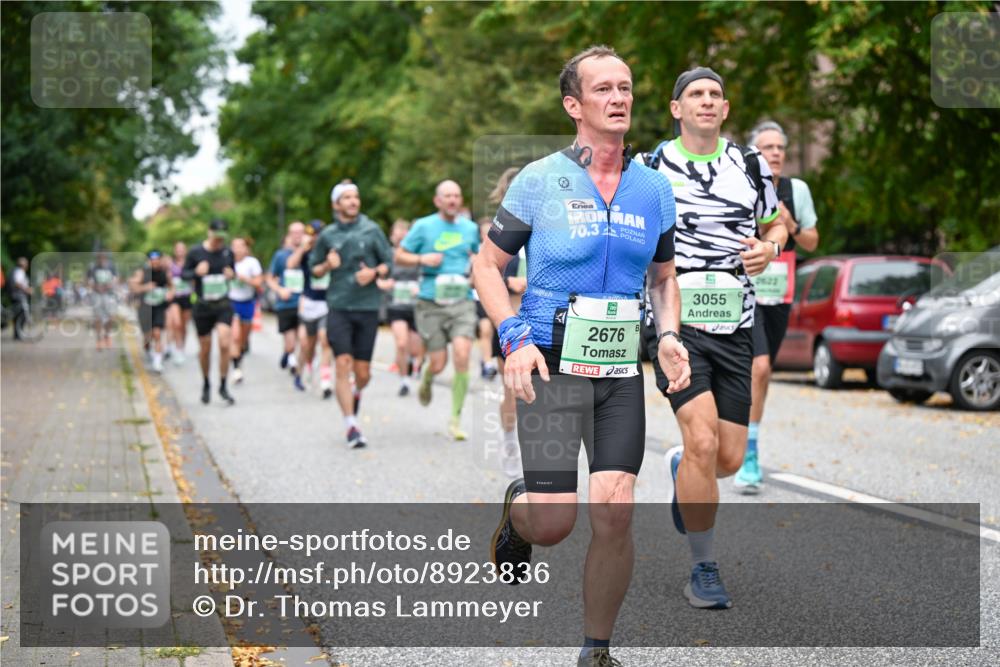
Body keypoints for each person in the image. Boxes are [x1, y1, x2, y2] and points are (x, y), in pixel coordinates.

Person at [472, 46, 688, 667]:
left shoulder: (654, 189)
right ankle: (520, 517)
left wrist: (668, 335)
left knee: (615, 512)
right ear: (574, 105)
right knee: (555, 524)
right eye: (603, 89)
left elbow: (664, 277)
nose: (619, 98)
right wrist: (513, 335)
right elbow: (488, 266)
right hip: (550, 366)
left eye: (625, 87)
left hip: (620, 371)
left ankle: (596, 650)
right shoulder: (539, 180)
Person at [644, 67, 787, 610]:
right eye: (694, 95)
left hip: (736, 323)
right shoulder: (652, 168)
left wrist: (770, 249)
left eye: (715, 95)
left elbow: (776, 226)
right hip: (674, 326)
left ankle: (685, 469)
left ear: (725, 110)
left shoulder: (749, 165)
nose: (706, 102)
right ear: (676, 108)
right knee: (702, 440)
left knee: (724, 458)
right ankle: (703, 568)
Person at [731, 120, 820, 493]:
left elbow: (813, 242)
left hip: (779, 293)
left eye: (781, 148)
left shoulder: (795, 189)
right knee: (760, 367)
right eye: (768, 148)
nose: (777, 153)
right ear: (756, 153)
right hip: (743, 289)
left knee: (759, 373)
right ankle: (747, 452)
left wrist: (790, 225)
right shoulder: (740, 182)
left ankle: (740, 438)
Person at [309, 181, 393, 448]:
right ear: (336, 204)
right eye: (347, 197)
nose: (353, 201)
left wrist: (375, 272)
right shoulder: (328, 235)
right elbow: (314, 270)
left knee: (363, 373)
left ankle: (355, 393)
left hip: (367, 307)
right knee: (342, 363)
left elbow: (388, 262)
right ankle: (351, 426)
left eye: (356, 196)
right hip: (339, 306)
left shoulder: (372, 230)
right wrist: (326, 265)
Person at [396, 180, 481, 441]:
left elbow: (479, 259)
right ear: (437, 201)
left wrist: (475, 267)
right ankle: (427, 377)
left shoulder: (470, 228)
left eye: (456, 195)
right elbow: (400, 255)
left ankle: (455, 418)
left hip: (462, 301)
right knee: (439, 362)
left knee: (463, 354)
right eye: (448, 196)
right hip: (431, 301)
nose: (453, 200)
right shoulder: (423, 226)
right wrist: (422, 258)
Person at [483, 168, 529, 479]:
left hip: (545, 324)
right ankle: (511, 441)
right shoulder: (500, 232)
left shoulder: (551, 227)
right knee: (513, 390)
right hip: (510, 324)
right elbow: (485, 274)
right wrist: (509, 282)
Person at [182, 218, 237, 405]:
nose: (219, 241)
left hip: (222, 304)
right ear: (209, 233)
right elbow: (183, 274)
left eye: (222, 238)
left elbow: (233, 273)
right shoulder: (196, 252)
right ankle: (206, 382)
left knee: (224, 342)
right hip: (203, 306)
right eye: (216, 237)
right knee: (205, 348)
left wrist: (232, 275)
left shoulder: (228, 252)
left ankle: (223, 384)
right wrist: (196, 272)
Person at [378, 219, 425, 397]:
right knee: (401, 343)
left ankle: (416, 361)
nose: (401, 236)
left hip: (415, 305)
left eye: (404, 233)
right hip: (395, 304)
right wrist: (383, 283)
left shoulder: (417, 254)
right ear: (392, 237)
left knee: (415, 348)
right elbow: (378, 275)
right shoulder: (387, 255)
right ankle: (404, 381)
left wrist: (420, 285)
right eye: (397, 233)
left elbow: (426, 273)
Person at [292, 220, 334, 399]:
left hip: (328, 303)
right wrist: (302, 247)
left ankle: (325, 381)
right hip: (310, 303)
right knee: (307, 344)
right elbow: (291, 264)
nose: (314, 237)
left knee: (325, 339)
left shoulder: (331, 252)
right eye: (311, 234)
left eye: (317, 234)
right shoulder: (306, 253)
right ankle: (304, 370)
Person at [267, 222, 308, 389]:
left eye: (301, 232)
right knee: (291, 343)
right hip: (286, 303)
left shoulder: (310, 254)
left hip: (304, 303)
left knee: (303, 342)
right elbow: (269, 278)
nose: (298, 235)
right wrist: (280, 290)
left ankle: (297, 373)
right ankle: (288, 353)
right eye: (294, 233)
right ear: (289, 235)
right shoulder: (280, 256)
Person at [227, 236, 264, 385]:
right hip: (230, 302)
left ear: (245, 248)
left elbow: (258, 282)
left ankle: (239, 358)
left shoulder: (252, 263)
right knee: (234, 337)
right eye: (234, 246)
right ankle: (236, 369)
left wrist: (243, 279)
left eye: (240, 246)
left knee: (242, 339)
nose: (237, 249)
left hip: (247, 302)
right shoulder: (226, 262)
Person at [130, 250, 172, 373]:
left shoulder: (165, 273)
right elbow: (133, 286)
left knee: (158, 333)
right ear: (149, 261)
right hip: (145, 307)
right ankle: (148, 349)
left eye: (158, 259)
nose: (155, 262)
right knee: (147, 335)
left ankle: (158, 362)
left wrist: (170, 293)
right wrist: (145, 287)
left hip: (159, 306)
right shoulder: (142, 273)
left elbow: (171, 286)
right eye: (153, 260)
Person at [475, 219, 499, 381]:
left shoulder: (504, 251)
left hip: (499, 297)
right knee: (485, 329)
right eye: (485, 232)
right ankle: (488, 363)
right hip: (479, 296)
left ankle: (494, 359)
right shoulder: (475, 251)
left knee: (498, 332)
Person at [167, 242, 194, 365]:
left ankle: (182, 347)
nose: (180, 251)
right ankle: (177, 349)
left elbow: (194, 279)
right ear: (174, 251)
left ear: (186, 250)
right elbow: (167, 280)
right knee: (176, 324)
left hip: (187, 297)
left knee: (184, 326)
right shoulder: (170, 264)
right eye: (177, 249)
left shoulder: (190, 264)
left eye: (182, 249)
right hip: (175, 298)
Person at [87, 252, 118, 349]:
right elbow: (89, 281)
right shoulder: (92, 268)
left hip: (109, 295)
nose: (102, 259)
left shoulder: (112, 267)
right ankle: (99, 339)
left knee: (111, 317)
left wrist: (110, 285)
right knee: (98, 318)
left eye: (104, 257)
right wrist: (95, 287)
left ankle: (107, 335)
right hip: (97, 295)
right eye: (100, 257)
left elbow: (116, 279)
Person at [10, 257, 32, 341]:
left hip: (16, 295)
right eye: (26, 263)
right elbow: (18, 283)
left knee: (18, 316)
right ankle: (18, 334)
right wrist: (27, 290)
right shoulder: (20, 271)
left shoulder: (17, 271)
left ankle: (17, 334)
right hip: (19, 296)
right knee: (21, 315)